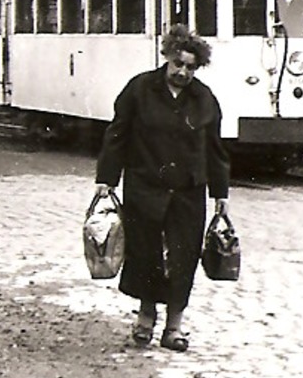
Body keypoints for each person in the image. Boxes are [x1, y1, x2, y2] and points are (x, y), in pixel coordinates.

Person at [94, 25, 230, 353]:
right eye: (178, 64)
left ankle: (174, 326)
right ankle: (145, 317)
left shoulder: (204, 99)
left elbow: (214, 148)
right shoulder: (139, 89)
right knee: (145, 253)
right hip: (145, 187)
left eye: (190, 67)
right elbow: (118, 134)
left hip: (187, 191)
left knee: (183, 257)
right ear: (167, 57)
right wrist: (106, 179)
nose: (183, 72)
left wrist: (220, 194)